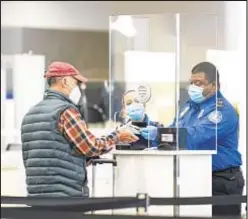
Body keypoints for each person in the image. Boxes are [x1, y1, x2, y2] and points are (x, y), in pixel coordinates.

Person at [21, 61, 139, 197]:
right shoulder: (66, 111)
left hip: (36, 198)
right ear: (65, 81)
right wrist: (117, 136)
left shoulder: (30, 114)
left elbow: (51, 155)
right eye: (75, 82)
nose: (77, 87)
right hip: (65, 197)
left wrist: (88, 158)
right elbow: (90, 147)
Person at [169, 62, 244, 217]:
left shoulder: (222, 111)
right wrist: (149, 132)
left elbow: (196, 136)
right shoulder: (188, 107)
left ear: (214, 85)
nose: (193, 87)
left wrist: (163, 134)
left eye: (199, 83)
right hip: (195, 176)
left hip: (221, 180)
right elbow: (172, 131)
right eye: (191, 83)